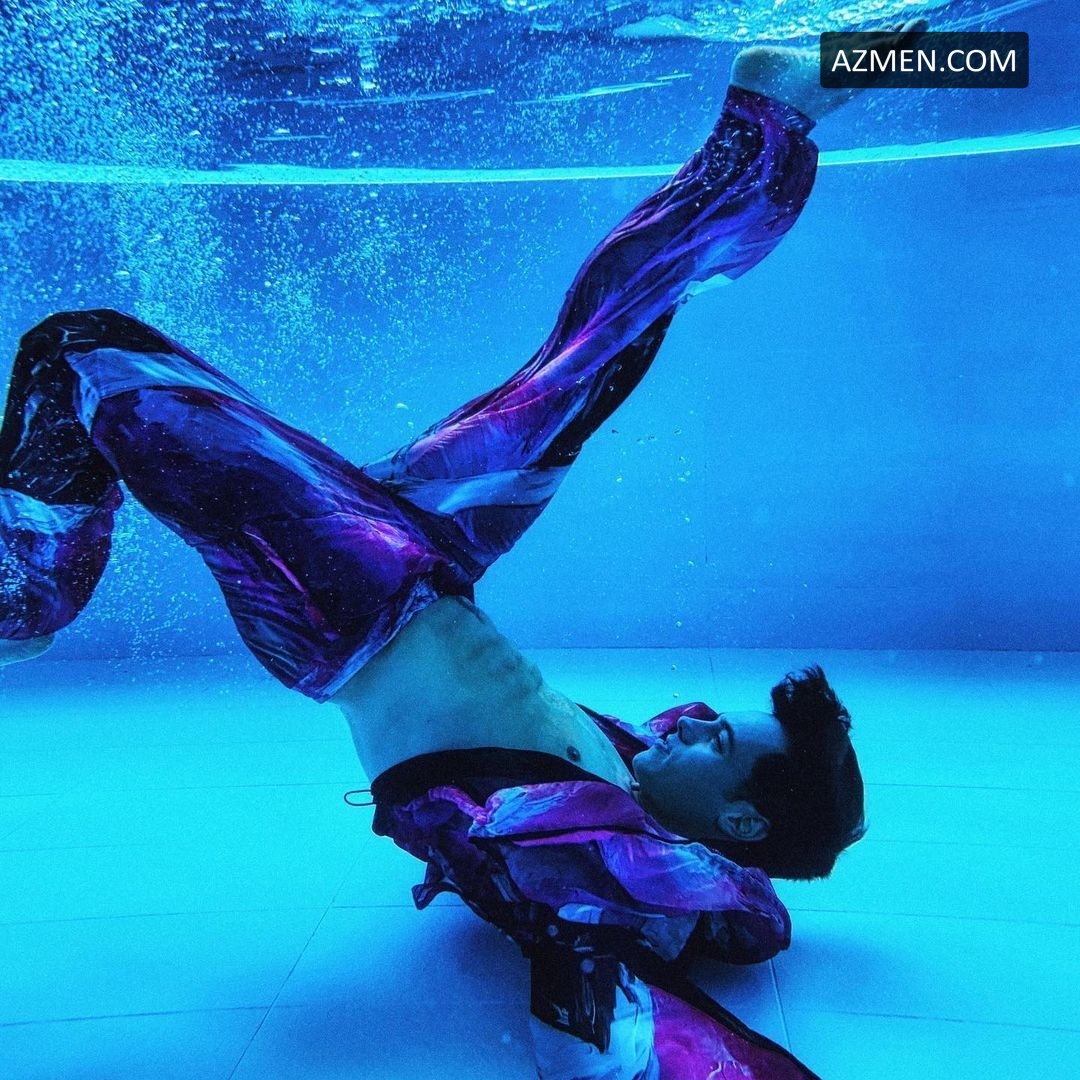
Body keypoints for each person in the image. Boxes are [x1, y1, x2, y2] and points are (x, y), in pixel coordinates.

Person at [0, 22, 925, 1079]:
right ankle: (771, 117)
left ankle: (23, 599)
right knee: (603, 345)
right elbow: (752, 875)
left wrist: (607, 1011)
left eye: (720, 743)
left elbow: (595, 1017)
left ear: (741, 818)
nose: (696, 720)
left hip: (346, 600)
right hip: (430, 551)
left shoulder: (607, 871)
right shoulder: (649, 782)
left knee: (84, 352)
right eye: (719, 720)